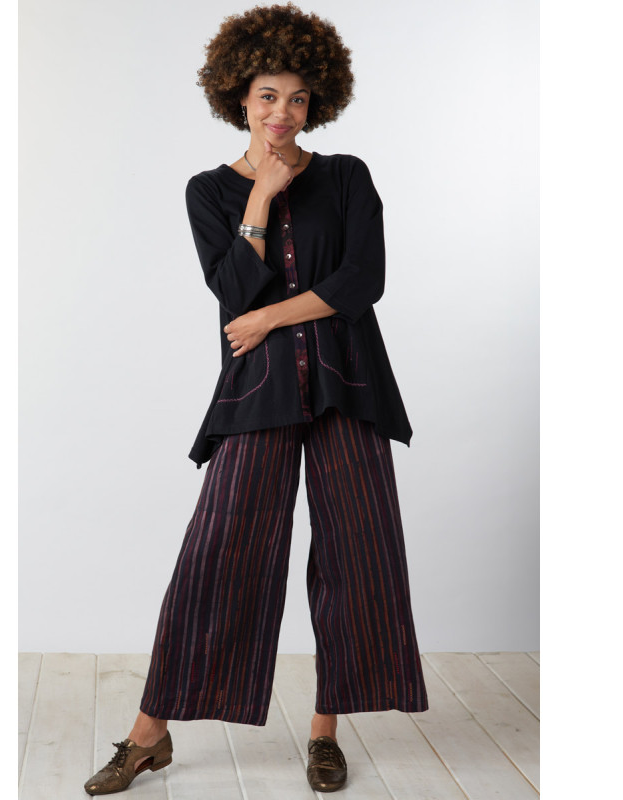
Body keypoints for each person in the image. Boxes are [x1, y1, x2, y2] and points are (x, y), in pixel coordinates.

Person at [84, 3, 428, 795]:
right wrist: (262, 196)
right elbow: (233, 291)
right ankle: (149, 734)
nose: (283, 111)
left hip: (348, 388)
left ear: (317, 102)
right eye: (268, 95)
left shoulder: (347, 177)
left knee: (356, 556)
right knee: (219, 554)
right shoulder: (209, 191)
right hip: (259, 395)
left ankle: (324, 732)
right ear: (239, 95)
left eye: (298, 98)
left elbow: (362, 282)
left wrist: (272, 316)